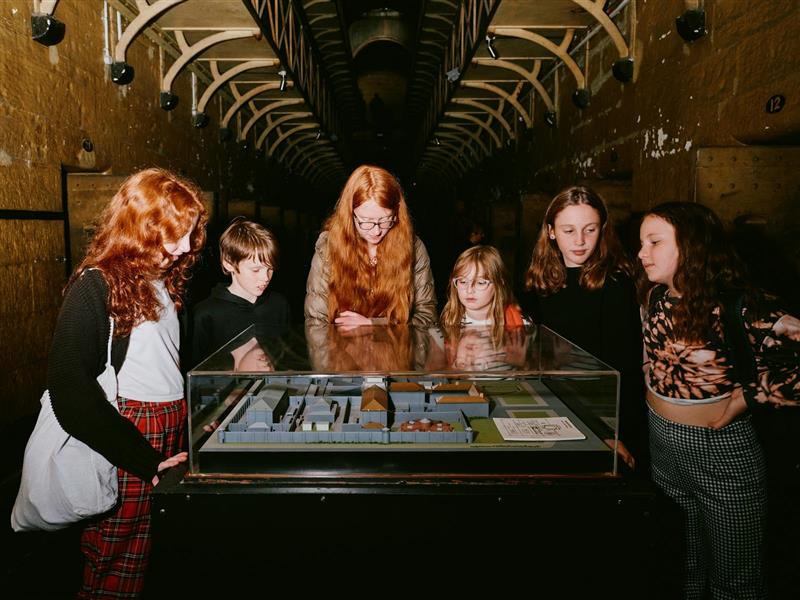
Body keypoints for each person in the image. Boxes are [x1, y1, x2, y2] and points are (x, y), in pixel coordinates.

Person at [45, 168, 207, 598]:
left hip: (170, 423)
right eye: (175, 234)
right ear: (142, 228)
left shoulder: (161, 279)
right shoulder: (95, 284)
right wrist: (144, 460)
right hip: (130, 431)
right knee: (116, 561)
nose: (186, 246)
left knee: (157, 554)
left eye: (190, 233)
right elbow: (69, 389)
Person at [638, 201, 799, 599]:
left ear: (692, 247)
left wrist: (751, 395)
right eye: (641, 243)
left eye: (654, 242)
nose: (642, 253)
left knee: (735, 577)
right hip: (661, 441)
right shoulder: (656, 296)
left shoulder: (740, 304)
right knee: (682, 566)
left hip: (720, 449)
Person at [523, 186, 645, 469]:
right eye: (568, 231)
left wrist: (612, 432)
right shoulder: (538, 283)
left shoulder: (616, 284)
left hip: (602, 415)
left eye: (589, 230)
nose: (580, 241)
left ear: (602, 230)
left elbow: (624, 365)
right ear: (551, 231)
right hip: (553, 407)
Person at [304, 164, 436, 327]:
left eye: (386, 220)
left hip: (394, 351)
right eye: (366, 221)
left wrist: (373, 326)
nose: (376, 231)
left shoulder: (413, 247)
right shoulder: (328, 246)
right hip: (341, 349)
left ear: (397, 214)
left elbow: (427, 316)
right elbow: (316, 320)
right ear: (349, 215)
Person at [192, 217, 289, 365]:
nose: (266, 278)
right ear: (229, 263)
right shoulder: (205, 314)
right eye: (255, 270)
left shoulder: (278, 304)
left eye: (270, 269)